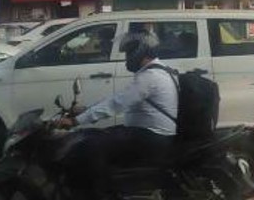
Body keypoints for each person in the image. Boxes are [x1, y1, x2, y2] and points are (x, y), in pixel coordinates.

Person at [56, 33, 178, 200]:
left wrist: (75, 121)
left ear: (141, 52)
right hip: (147, 133)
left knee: (90, 147)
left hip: (150, 137)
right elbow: (118, 99)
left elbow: (116, 104)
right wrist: (85, 110)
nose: (127, 58)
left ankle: (100, 195)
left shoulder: (149, 77)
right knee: (93, 135)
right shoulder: (159, 71)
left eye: (129, 53)